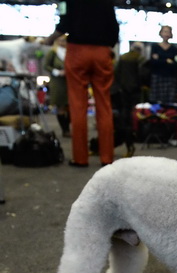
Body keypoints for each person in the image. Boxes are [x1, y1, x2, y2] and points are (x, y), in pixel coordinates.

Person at [44, 0, 119, 167]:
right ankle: (107, 158)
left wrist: (50, 39)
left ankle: (80, 158)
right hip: (102, 52)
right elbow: (114, 27)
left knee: (78, 105)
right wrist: (107, 47)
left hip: (77, 51)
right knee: (104, 105)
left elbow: (64, 24)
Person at [113, 42, 146, 156]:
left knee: (123, 117)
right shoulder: (141, 59)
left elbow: (116, 72)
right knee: (133, 118)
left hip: (122, 92)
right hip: (135, 92)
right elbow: (143, 75)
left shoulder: (123, 57)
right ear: (140, 50)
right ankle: (131, 141)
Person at [43, 35, 70, 138]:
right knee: (61, 106)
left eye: (64, 40)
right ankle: (65, 129)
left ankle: (68, 127)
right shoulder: (53, 52)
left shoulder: (70, 52)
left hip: (69, 81)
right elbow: (46, 66)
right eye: (60, 40)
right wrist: (57, 72)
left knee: (70, 106)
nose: (62, 42)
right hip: (58, 82)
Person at [149, 25, 177, 104]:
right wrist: (167, 61)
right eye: (165, 32)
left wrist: (160, 59)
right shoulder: (155, 46)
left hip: (170, 78)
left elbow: (175, 64)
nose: (166, 34)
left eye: (168, 32)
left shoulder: (174, 48)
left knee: (169, 101)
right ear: (161, 33)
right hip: (157, 76)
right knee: (156, 101)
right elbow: (153, 62)